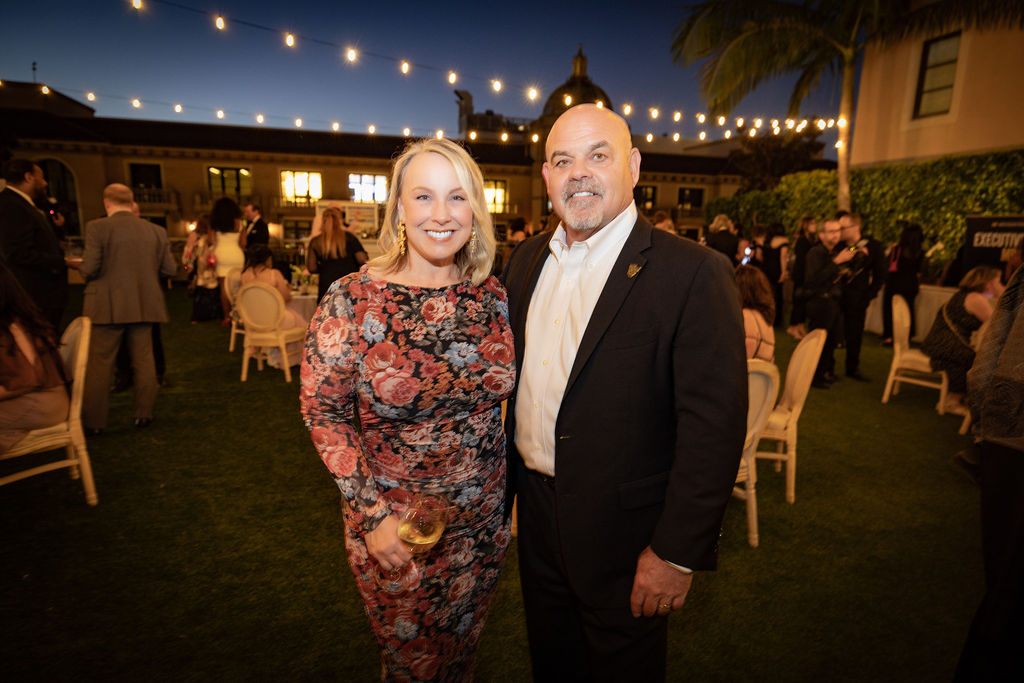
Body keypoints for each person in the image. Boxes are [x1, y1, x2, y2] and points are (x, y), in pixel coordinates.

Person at [502, 104, 746, 681]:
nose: (579, 173)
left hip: (630, 538)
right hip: (535, 520)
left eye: (598, 155)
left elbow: (713, 428)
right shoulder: (526, 260)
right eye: (563, 161)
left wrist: (675, 553)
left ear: (633, 166)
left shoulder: (693, 273)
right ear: (546, 177)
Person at [300, 138, 514, 681]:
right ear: (398, 207)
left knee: (462, 657)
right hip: (397, 530)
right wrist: (373, 518)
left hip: (483, 525)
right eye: (423, 196)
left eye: (457, 197)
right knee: (414, 665)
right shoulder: (353, 298)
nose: (441, 214)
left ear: (475, 210)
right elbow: (324, 415)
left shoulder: (492, 296)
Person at [955, 262, 1024, 680]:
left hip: (1004, 440)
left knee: (1004, 586)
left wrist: (983, 431)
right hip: (1012, 440)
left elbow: (983, 369)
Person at [80, 184, 177, 433]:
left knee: (100, 364)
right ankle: (144, 414)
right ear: (131, 202)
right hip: (144, 303)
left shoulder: (97, 228)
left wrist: (78, 266)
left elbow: (89, 268)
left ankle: (95, 423)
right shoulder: (156, 231)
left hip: (106, 305)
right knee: (144, 360)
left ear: (107, 203)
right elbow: (170, 269)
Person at [0, 260, 70, 453]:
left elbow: (29, 380)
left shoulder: (12, 325)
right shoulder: (14, 317)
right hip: (32, 398)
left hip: (39, 403)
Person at [921, 265, 1004, 414]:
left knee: (979, 357)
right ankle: (953, 400)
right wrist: (1003, 293)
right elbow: (1000, 324)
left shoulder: (965, 295)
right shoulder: (976, 299)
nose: (1000, 284)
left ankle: (965, 396)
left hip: (937, 342)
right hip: (946, 345)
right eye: (998, 281)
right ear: (988, 283)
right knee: (977, 360)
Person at [0, 159, 68, 332]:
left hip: (41, 297)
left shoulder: (24, 204)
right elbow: (17, 253)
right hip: (34, 296)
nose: (45, 183)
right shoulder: (11, 205)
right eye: (42, 178)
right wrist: (63, 262)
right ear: (28, 177)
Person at [805, 219, 858, 389]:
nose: (836, 234)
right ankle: (813, 377)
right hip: (820, 302)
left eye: (838, 231)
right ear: (821, 235)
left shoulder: (835, 251)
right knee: (818, 341)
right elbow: (813, 280)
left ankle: (825, 372)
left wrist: (853, 251)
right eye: (832, 231)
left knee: (830, 341)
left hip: (833, 302)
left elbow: (852, 251)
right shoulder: (815, 253)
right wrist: (837, 263)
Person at [837, 212, 887, 381]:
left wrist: (869, 295)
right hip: (836, 294)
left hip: (858, 297)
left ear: (856, 227)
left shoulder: (873, 246)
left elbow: (881, 274)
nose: (840, 231)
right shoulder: (839, 244)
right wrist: (855, 249)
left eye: (843, 227)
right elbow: (844, 254)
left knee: (855, 333)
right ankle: (824, 369)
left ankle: (852, 368)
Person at [241, 244, 307, 369]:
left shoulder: (244, 276)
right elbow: (286, 297)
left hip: (253, 321)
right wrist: (287, 288)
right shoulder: (274, 274)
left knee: (293, 316)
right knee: (300, 322)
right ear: (268, 259)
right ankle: (293, 357)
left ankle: (274, 354)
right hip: (275, 321)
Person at [304, 206, 367, 303]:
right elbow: (362, 259)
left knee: (327, 311)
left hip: (327, 286)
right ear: (339, 221)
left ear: (323, 222)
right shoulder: (349, 238)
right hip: (348, 285)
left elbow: (311, 268)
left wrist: (324, 268)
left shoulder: (316, 241)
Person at [881, 222, 925, 345]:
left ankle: (890, 336)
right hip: (911, 285)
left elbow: (889, 267)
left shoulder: (897, 249)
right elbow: (919, 272)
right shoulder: (920, 252)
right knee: (908, 311)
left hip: (894, 283)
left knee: (890, 310)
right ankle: (907, 336)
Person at [210, 197, 246, 326]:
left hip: (221, 255)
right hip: (236, 254)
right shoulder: (240, 224)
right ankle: (240, 314)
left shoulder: (215, 224)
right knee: (239, 285)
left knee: (224, 287)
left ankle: (226, 317)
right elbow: (243, 243)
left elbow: (211, 241)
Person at [182, 213, 222, 323]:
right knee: (205, 292)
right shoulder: (199, 235)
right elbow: (189, 252)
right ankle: (205, 314)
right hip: (204, 267)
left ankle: (202, 315)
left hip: (206, 266)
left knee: (204, 292)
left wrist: (188, 265)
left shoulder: (207, 235)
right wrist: (188, 266)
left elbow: (188, 252)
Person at [736, 264, 776, 362]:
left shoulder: (746, 317)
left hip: (751, 370)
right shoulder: (764, 317)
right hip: (764, 370)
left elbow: (742, 359)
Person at [788, 215, 817, 339]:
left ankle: (800, 325)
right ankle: (793, 327)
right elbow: (801, 260)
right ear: (806, 225)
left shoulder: (811, 239)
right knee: (798, 301)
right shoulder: (802, 240)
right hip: (801, 275)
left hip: (807, 274)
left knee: (804, 302)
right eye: (812, 223)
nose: (815, 226)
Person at [760, 222, 789, 326]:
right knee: (777, 294)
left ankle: (765, 316)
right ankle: (776, 319)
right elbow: (783, 257)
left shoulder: (766, 240)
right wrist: (783, 272)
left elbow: (761, 256)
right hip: (776, 269)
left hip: (766, 268)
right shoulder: (784, 241)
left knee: (767, 293)